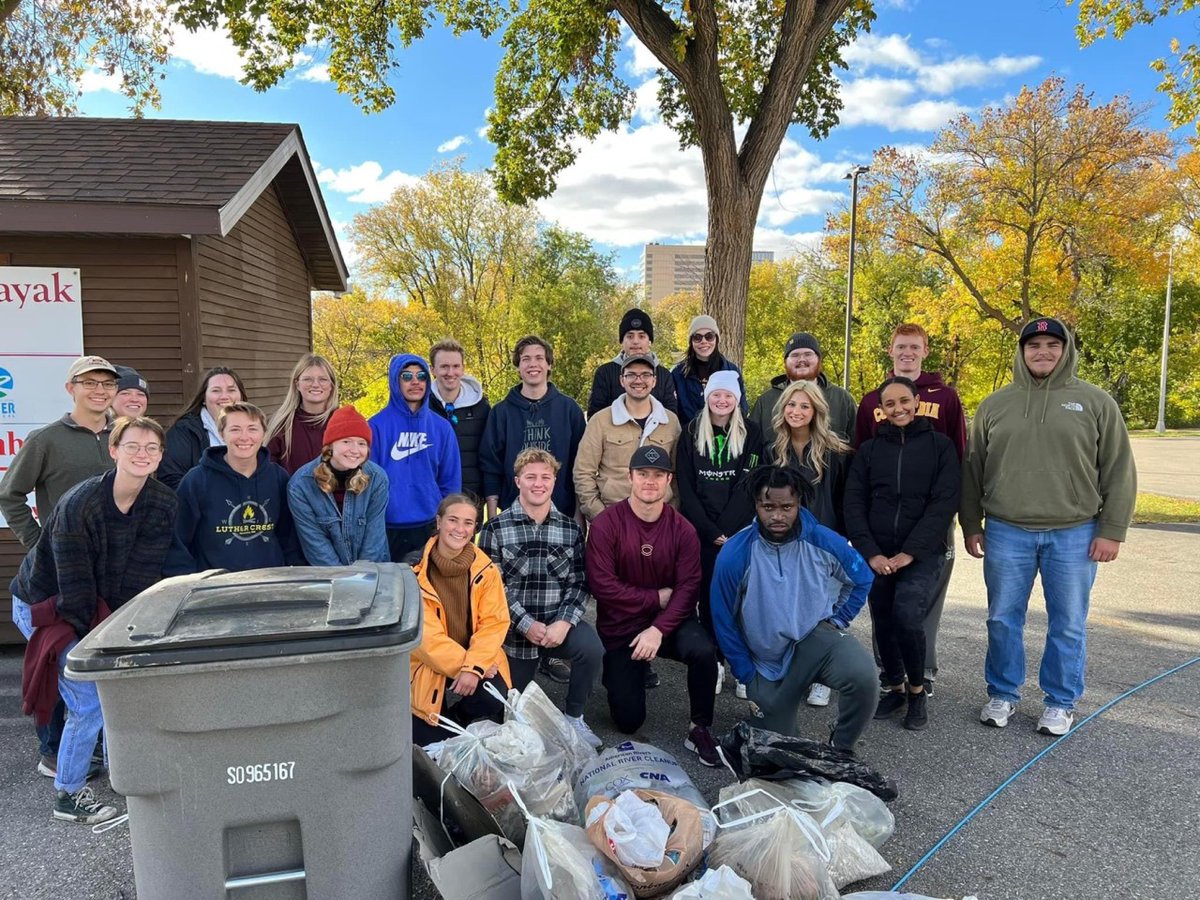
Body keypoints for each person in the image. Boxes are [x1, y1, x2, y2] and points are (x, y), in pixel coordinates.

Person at [962, 317, 1136, 736]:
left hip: (1074, 531)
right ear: (1022, 352)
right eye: (1034, 344)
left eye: (1052, 345)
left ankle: (1060, 702)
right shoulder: (995, 404)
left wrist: (1111, 530)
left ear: (1066, 350)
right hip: (1007, 529)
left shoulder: (1095, 402)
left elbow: (1118, 470)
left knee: (1069, 621)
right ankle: (1003, 693)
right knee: (1002, 618)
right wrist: (971, 523)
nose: (1042, 351)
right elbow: (973, 470)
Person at [13, 415, 177, 824]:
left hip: (98, 604)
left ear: (160, 457)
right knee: (87, 700)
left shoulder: (161, 503)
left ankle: (114, 766)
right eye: (133, 446)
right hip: (45, 604)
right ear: (114, 450)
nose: (142, 454)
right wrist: (102, 648)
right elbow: (74, 589)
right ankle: (67, 794)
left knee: (115, 689)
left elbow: (141, 576)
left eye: (151, 448)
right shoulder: (80, 503)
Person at [711, 466, 876, 754]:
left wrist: (838, 619)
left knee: (864, 678)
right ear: (756, 506)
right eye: (768, 507)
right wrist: (745, 671)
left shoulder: (823, 540)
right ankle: (770, 712)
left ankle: (842, 747)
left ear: (799, 503)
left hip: (816, 641)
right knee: (782, 751)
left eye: (787, 507)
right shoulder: (736, 552)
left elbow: (862, 577)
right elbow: (722, 618)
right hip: (765, 659)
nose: (777, 515)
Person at [585, 445, 721, 766]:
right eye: (643, 474)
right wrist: (653, 598)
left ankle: (699, 728)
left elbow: (688, 588)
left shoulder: (682, 529)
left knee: (703, 651)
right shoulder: (606, 525)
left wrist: (658, 628)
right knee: (628, 721)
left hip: (669, 622)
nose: (650, 481)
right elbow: (601, 586)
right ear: (630, 477)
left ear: (669, 480)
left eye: (658, 475)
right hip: (622, 625)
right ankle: (624, 671)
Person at [853, 323, 968, 694]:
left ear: (924, 350)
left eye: (914, 347)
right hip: (882, 523)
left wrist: (957, 521)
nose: (907, 352)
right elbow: (860, 462)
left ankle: (924, 671)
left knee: (918, 603)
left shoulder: (946, 398)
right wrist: (866, 540)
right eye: (901, 346)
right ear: (890, 350)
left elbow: (958, 459)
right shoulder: (870, 400)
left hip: (931, 520)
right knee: (883, 606)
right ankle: (891, 678)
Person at [843, 377, 961, 732]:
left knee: (908, 616)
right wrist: (871, 552)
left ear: (916, 402)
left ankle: (916, 690)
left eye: (904, 401)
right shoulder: (869, 451)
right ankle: (892, 684)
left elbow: (944, 503)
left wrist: (911, 552)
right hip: (878, 552)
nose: (898, 408)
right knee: (883, 619)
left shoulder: (940, 447)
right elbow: (854, 502)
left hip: (921, 553)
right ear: (881, 408)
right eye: (890, 403)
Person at [478, 448, 604, 749]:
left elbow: (579, 582)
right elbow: (492, 588)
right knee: (505, 713)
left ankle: (574, 716)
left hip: (556, 624)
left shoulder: (570, 529)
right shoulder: (495, 528)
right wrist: (525, 623)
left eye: (545, 477)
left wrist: (563, 623)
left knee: (593, 649)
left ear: (555, 481)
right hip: (513, 632)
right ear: (517, 481)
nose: (538, 483)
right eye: (530, 477)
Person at [764, 379, 854, 709]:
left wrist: (842, 542)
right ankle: (791, 670)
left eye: (804, 405)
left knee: (821, 611)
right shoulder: (773, 451)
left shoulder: (837, 452)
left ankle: (821, 678)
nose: (796, 411)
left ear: (816, 410)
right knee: (786, 609)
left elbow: (846, 500)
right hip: (782, 543)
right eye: (791, 405)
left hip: (824, 545)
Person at [674, 371, 763, 697]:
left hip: (739, 533)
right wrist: (711, 531)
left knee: (741, 601)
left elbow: (749, 483)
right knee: (709, 601)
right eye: (716, 395)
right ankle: (715, 662)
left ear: (737, 398)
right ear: (707, 397)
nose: (722, 400)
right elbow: (686, 486)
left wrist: (728, 530)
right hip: (702, 533)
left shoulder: (752, 433)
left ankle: (741, 664)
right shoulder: (691, 433)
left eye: (728, 395)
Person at [410, 494, 512, 746]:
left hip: (475, 656)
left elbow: (495, 622)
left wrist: (475, 667)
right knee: (432, 744)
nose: (460, 529)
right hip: (428, 662)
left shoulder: (485, 569)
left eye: (468, 523)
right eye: (453, 520)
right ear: (439, 522)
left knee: (494, 696)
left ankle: (459, 717)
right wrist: (468, 667)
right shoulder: (414, 570)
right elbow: (425, 638)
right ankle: (447, 724)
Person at [164, 402, 303, 575]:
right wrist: (188, 582)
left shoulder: (278, 478)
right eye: (235, 429)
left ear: (263, 434)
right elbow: (177, 541)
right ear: (222, 434)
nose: (244, 437)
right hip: (215, 587)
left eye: (252, 429)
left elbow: (290, 537)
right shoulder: (197, 481)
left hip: (270, 582)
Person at [0, 355, 119, 551]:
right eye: (89, 383)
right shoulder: (45, 440)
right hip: (68, 557)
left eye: (108, 384)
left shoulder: (128, 436)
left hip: (123, 557)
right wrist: (39, 545)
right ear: (71, 388)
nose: (100, 390)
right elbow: (8, 495)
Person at [368, 354, 462, 563]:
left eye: (421, 376)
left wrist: (446, 522)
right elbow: (368, 483)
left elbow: (450, 482)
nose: (415, 382)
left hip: (429, 525)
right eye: (406, 376)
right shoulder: (376, 427)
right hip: (386, 527)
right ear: (395, 381)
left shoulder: (442, 428)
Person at [480, 335, 586, 519]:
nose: (532, 364)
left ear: (549, 364)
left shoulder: (569, 410)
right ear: (518, 367)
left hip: (561, 514)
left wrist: (578, 515)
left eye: (539, 358)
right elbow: (491, 466)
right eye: (525, 359)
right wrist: (492, 517)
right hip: (513, 516)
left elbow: (580, 466)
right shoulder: (501, 412)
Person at [574, 354, 683, 522]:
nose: (638, 380)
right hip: (613, 515)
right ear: (622, 380)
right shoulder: (601, 421)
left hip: (658, 518)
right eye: (631, 374)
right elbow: (583, 472)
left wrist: (670, 513)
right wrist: (601, 516)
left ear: (654, 381)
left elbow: (678, 474)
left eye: (646, 374)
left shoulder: (670, 421)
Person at [288, 405, 390, 566]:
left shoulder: (377, 478)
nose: (355, 450)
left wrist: (362, 576)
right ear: (330, 446)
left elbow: (374, 536)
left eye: (362, 443)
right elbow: (315, 543)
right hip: (327, 575)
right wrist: (343, 578)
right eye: (346, 441)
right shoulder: (301, 485)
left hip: (372, 570)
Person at [749, 332, 856, 444]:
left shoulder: (842, 399)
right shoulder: (766, 401)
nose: (801, 359)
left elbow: (856, 443)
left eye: (808, 354)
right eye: (795, 355)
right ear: (785, 362)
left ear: (819, 359)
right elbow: (751, 445)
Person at [159, 366, 246, 489]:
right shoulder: (184, 431)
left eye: (231, 390)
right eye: (216, 390)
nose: (224, 396)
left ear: (241, 396)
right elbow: (171, 479)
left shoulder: (253, 430)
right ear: (203, 398)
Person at [428, 338, 491, 499]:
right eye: (444, 367)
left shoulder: (482, 407)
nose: (450, 373)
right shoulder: (422, 407)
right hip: (431, 498)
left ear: (463, 369)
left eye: (456, 366)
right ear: (433, 369)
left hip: (471, 498)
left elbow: (489, 457)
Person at [586, 308, 679, 417]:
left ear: (650, 341)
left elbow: (671, 416)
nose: (635, 341)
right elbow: (595, 416)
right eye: (630, 336)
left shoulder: (664, 375)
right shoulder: (605, 373)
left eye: (641, 336)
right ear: (622, 340)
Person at [265, 354, 340, 475]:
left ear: (331, 385)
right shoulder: (281, 424)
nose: (315, 384)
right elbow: (268, 471)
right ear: (297, 384)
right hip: (292, 493)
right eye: (307, 379)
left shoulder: (343, 423)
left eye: (323, 379)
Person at [670, 315, 748, 425]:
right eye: (697, 337)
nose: (703, 341)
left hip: (724, 437)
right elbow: (672, 410)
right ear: (691, 342)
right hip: (688, 436)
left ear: (716, 339)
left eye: (709, 336)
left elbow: (742, 408)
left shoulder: (731, 371)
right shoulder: (678, 373)